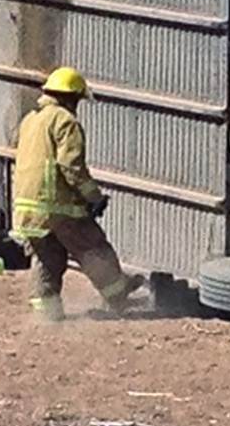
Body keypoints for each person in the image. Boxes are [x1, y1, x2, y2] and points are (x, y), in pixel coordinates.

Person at [11, 67, 144, 322]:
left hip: (27, 208)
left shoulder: (30, 120)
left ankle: (47, 315)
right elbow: (71, 167)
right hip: (57, 207)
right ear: (71, 97)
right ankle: (117, 295)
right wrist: (93, 197)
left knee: (47, 259)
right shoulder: (65, 121)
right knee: (94, 247)